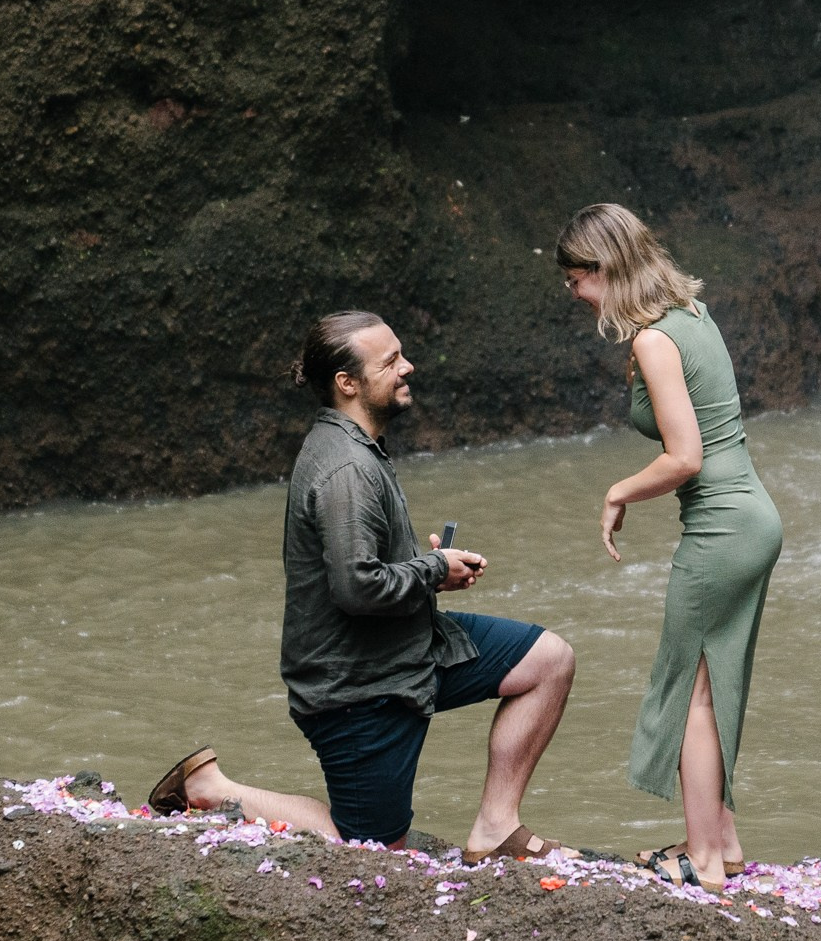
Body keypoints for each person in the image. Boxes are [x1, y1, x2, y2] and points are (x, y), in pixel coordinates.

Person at [147, 311, 577, 863]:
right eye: (391, 361)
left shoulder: (354, 444)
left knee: (549, 661)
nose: (408, 367)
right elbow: (355, 588)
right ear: (347, 383)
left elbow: (365, 569)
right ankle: (214, 790)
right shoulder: (345, 468)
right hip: (356, 686)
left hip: (406, 650)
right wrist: (432, 571)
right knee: (373, 851)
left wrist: (430, 567)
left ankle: (496, 826)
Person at [556, 203, 783, 892]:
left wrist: (618, 490)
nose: (573, 294)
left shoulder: (656, 340)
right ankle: (725, 842)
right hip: (753, 516)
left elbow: (685, 457)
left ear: (603, 269)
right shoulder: (694, 315)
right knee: (714, 686)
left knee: (691, 693)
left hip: (720, 526)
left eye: (575, 279)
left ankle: (703, 859)